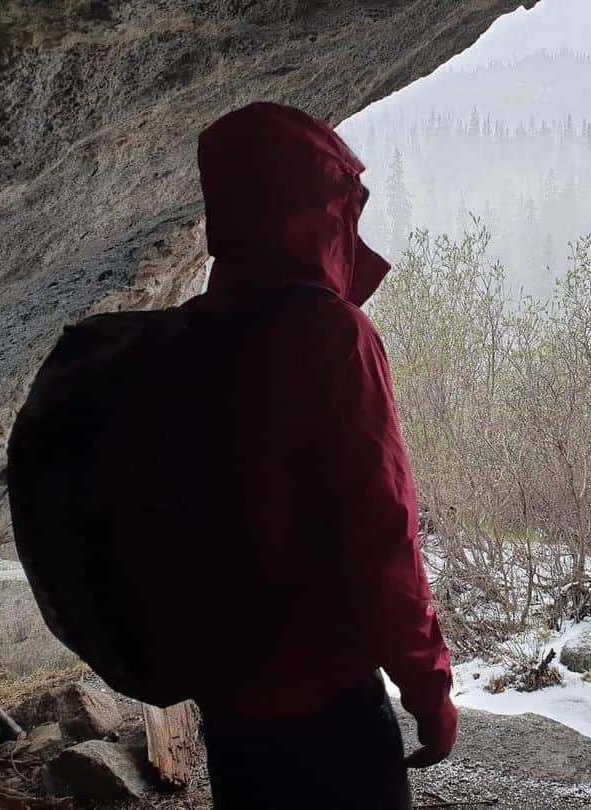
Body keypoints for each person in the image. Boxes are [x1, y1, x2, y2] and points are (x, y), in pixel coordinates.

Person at [187, 102, 457, 809]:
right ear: (320, 208)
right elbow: (381, 532)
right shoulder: (334, 336)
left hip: (230, 695)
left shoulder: (192, 334)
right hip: (326, 697)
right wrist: (427, 685)